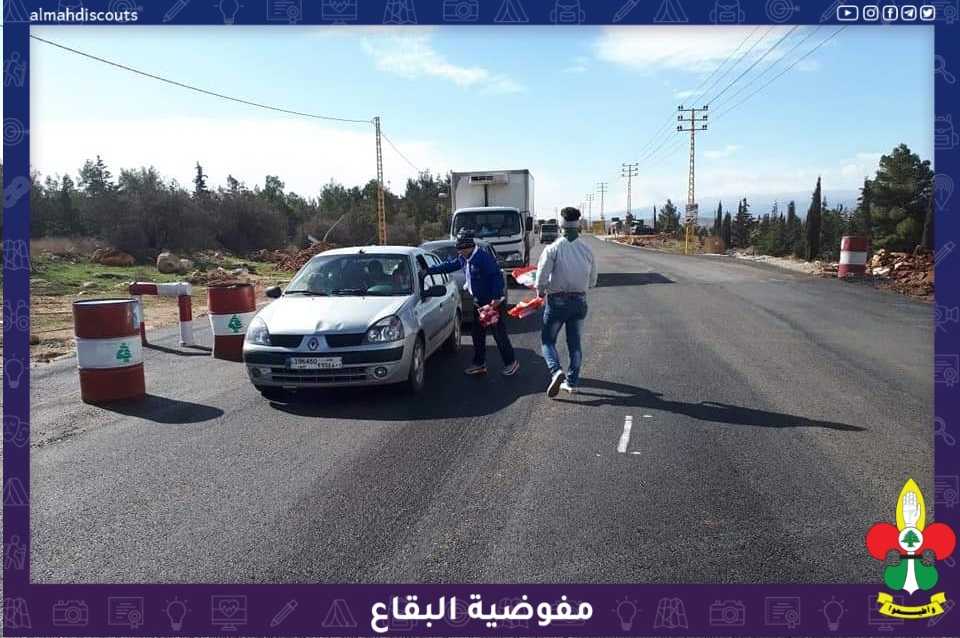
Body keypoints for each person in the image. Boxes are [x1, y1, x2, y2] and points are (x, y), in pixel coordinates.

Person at [427, 231, 519, 376]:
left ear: (469, 246)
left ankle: (511, 363)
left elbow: (496, 276)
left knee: (498, 334)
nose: (459, 252)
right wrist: (429, 271)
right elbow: (449, 266)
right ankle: (479, 364)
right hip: (478, 303)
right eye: (458, 249)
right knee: (477, 334)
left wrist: (496, 297)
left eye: (461, 249)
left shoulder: (483, 258)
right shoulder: (464, 258)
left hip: (491, 303)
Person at [535, 206, 598, 397]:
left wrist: (540, 291)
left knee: (547, 340)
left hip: (558, 301)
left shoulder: (553, 248)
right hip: (579, 301)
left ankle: (556, 371)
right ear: (578, 225)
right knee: (574, 343)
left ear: (561, 225)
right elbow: (593, 280)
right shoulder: (587, 249)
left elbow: (542, 275)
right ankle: (571, 382)